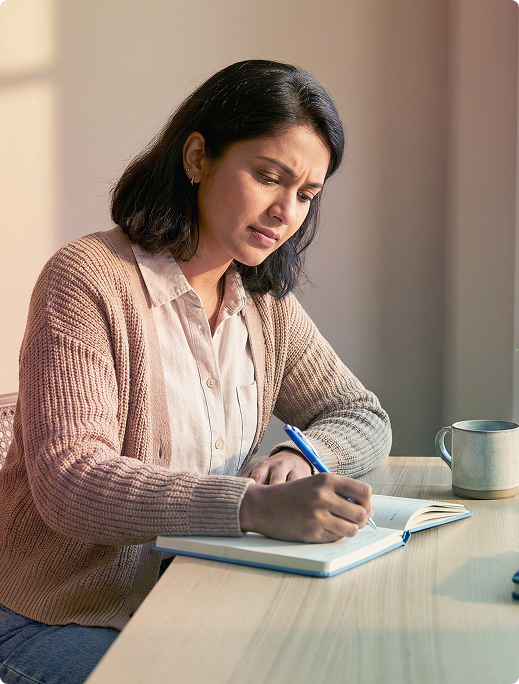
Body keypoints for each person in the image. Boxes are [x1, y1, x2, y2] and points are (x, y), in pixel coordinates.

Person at [0, 59, 391, 684]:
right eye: (269, 177)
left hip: (197, 597)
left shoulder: (262, 302)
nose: (286, 212)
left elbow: (361, 414)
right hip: (56, 617)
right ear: (197, 157)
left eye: (307, 194)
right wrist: (252, 507)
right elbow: (69, 481)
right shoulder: (86, 280)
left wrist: (304, 453)